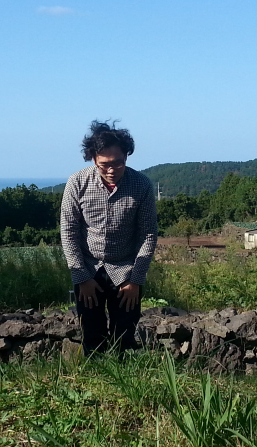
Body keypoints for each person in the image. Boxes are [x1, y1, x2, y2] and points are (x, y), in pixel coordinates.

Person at [60, 121, 158, 355]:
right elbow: (69, 231)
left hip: (126, 270)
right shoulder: (77, 183)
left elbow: (148, 234)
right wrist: (81, 276)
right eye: (105, 165)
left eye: (119, 163)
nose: (112, 170)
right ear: (93, 159)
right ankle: (94, 381)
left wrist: (136, 279)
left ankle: (124, 384)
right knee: (92, 334)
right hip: (88, 268)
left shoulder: (141, 185)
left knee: (124, 335)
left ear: (127, 156)